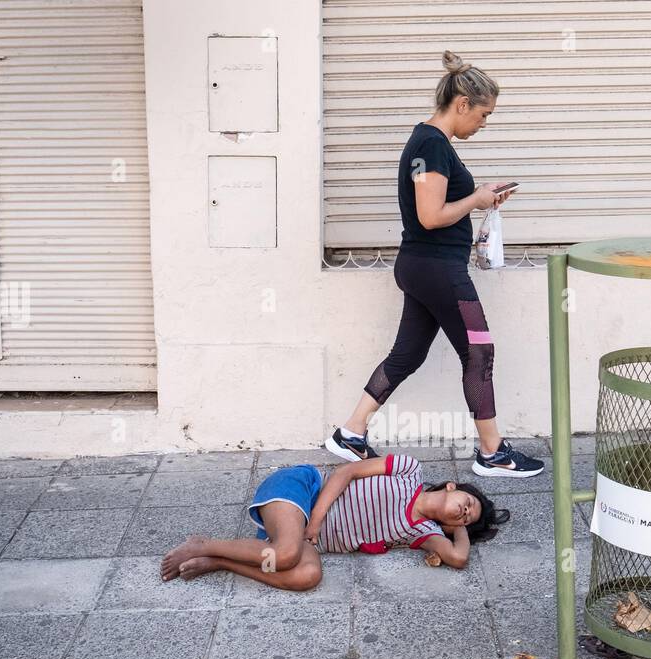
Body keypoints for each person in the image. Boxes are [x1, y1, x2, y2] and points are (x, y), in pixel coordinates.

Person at [324, 50, 545, 479]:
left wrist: (481, 197)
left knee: (406, 354)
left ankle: (351, 432)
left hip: (423, 266)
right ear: (462, 104)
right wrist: (476, 199)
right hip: (437, 268)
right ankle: (493, 452)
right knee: (479, 351)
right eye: (483, 115)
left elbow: (440, 207)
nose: (483, 124)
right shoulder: (431, 144)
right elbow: (430, 215)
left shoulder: (430, 142)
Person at [160, 453, 509, 591]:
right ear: (451, 486)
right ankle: (202, 544)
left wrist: (461, 525)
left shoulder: (424, 532)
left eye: (466, 517)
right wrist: (316, 520)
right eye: (466, 503)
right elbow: (347, 471)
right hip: (301, 493)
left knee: (306, 576)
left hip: (306, 542)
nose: (464, 511)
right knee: (284, 555)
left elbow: (459, 558)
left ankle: (220, 560)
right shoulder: (408, 469)